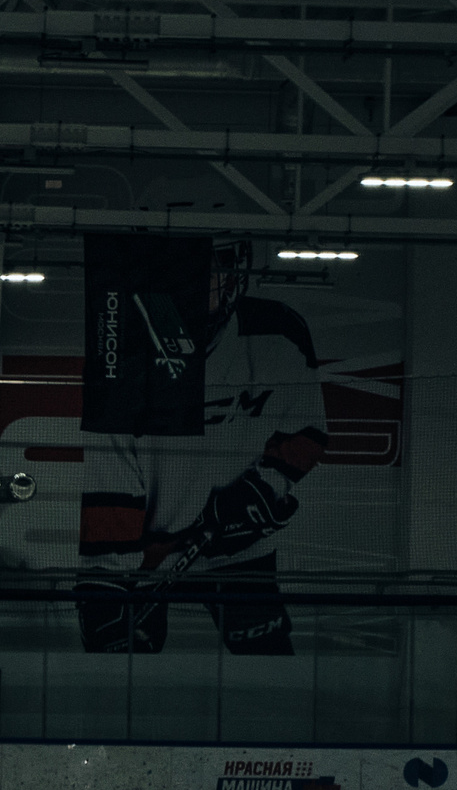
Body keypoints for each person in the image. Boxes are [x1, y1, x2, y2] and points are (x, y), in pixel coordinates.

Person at [74, 239, 330, 654]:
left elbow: (308, 432)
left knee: (266, 665)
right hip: (146, 559)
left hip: (240, 551)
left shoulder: (278, 331)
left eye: (216, 268)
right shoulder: (122, 345)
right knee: (126, 675)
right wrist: (107, 576)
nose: (207, 281)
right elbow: (110, 466)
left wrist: (263, 489)